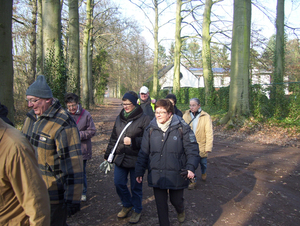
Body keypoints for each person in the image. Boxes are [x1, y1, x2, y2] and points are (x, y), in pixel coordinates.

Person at [22, 75, 84, 226]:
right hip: (29, 191)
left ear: (48, 100)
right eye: (28, 100)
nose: (30, 105)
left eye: (34, 100)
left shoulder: (63, 123)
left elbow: (73, 163)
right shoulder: (30, 118)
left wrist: (73, 198)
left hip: (53, 196)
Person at [135, 99, 200, 226]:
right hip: (157, 173)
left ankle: (180, 210)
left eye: (162, 112)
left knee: (176, 200)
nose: (158, 115)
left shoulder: (182, 128)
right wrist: (139, 171)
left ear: (170, 113)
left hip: (177, 173)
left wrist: (191, 168)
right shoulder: (150, 129)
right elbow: (143, 152)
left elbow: (192, 150)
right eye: (156, 112)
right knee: (160, 205)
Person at [104, 91, 150, 224]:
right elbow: (114, 138)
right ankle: (127, 204)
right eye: (123, 104)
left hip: (137, 160)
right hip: (121, 158)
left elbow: (149, 139)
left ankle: (137, 209)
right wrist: (108, 155)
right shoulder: (120, 117)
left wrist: (134, 142)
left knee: (136, 187)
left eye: (128, 104)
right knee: (118, 183)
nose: (125, 106)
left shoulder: (145, 118)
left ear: (135, 104)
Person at [0, 118, 51, 226]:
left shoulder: (15, 146)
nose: (30, 105)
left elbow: (36, 202)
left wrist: (74, 194)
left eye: (35, 100)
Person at [65, 93, 96, 202]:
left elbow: (92, 131)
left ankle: (83, 192)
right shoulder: (64, 115)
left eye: (73, 105)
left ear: (77, 104)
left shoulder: (86, 115)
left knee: (81, 172)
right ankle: (70, 192)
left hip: (82, 149)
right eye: (69, 106)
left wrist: (78, 135)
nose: (71, 108)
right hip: (67, 150)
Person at [183, 98, 213, 190]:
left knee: (203, 163)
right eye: (190, 105)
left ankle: (204, 172)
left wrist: (208, 146)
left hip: (201, 144)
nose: (191, 107)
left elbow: (209, 132)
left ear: (199, 105)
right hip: (190, 144)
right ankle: (193, 180)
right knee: (191, 163)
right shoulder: (186, 115)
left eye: (194, 105)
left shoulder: (206, 116)